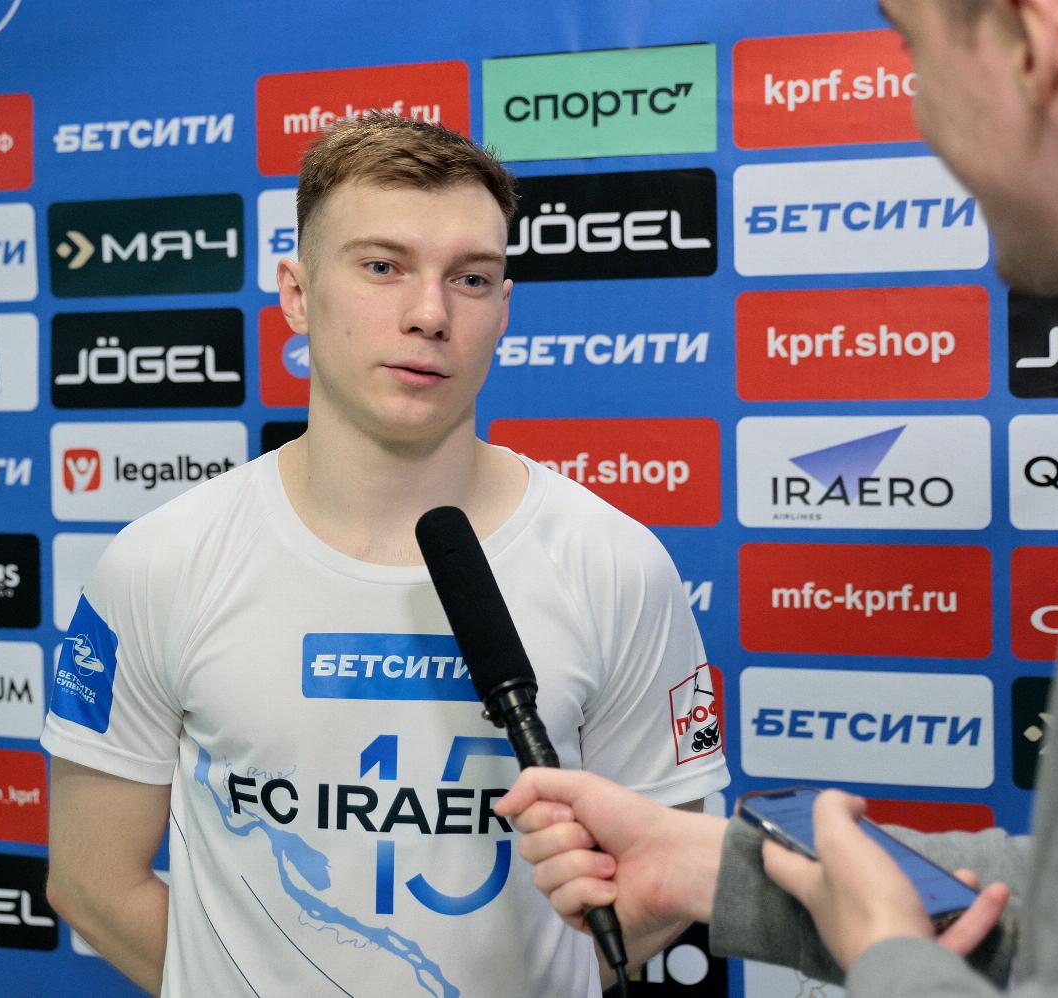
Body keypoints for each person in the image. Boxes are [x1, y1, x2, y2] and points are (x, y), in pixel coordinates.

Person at [499, 1, 1058, 994]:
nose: (920, 113)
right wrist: (709, 869)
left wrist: (888, 957)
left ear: (1029, 46)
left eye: (912, 49)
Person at [41, 113, 728, 997]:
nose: (430, 314)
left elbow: (662, 888)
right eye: (382, 267)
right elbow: (92, 884)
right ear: (297, 294)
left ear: (504, 310)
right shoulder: (163, 560)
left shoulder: (618, 564)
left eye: (470, 278)